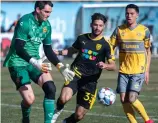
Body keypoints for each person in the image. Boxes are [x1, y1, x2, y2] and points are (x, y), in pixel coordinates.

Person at [3, 1, 74, 123]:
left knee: (50, 88)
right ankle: (25, 119)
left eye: (50, 12)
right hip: (17, 63)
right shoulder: (24, 22)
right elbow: (19, 48)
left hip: (36, 61)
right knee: (29, 100)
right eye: (46, 12)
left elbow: (48, 50)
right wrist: (35, 63)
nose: (48, 15)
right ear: (37, 10)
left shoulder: (47, 25)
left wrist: (60, 67)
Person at [51, 13, 116, 123]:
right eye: (95, 25)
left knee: (79, 116)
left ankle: (65, 122)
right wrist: (58, 52)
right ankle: (57, 111)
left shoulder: (106, 44)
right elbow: (72, 50)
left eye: (100, 25)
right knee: (63, 98)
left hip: (90, 82)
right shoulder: (82, 38)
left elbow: (113, 66)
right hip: (75, 74)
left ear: (103, 26)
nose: (97, 28)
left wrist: (105, 65)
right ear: (91, 25)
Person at [109, 4, 154, 123]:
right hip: (123, 71)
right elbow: (110, 46)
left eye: (132, 14)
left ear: (137, 15)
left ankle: (148, 120)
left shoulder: (144, 31)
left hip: (138, 71)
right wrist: (111, 59)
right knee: (124, 99)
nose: (129, 16)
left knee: (132, 98)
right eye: (127, 13)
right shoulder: (119, 30)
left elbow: (148, 51)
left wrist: (147, 71)